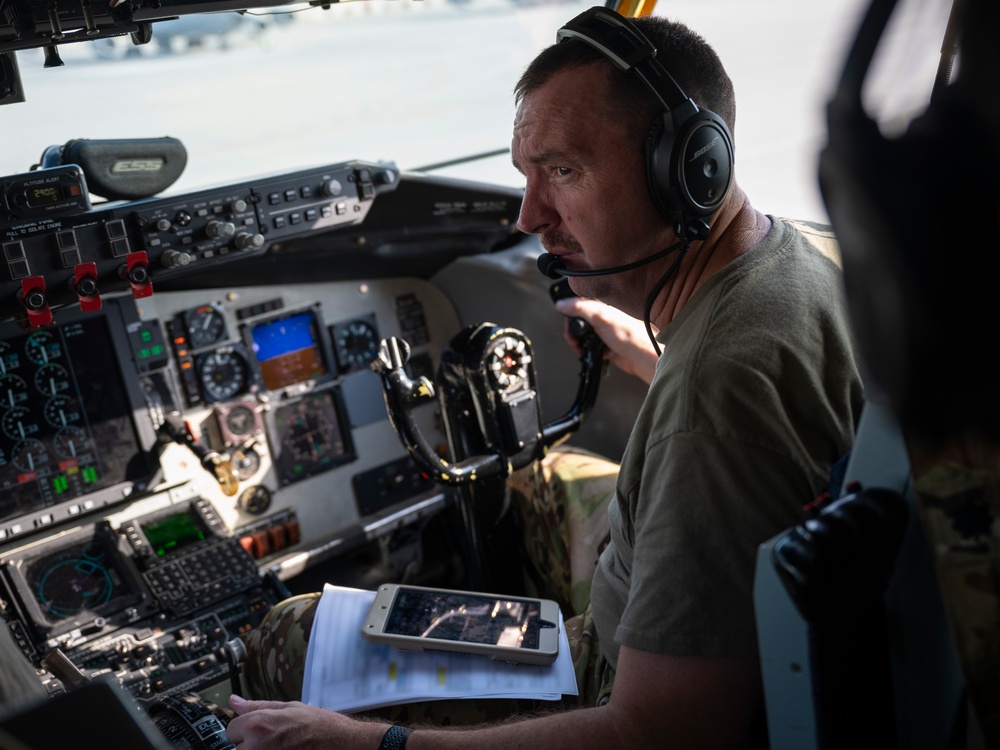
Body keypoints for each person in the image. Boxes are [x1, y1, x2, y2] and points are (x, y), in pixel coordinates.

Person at [225, 8, 863, 748]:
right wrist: (650, 357)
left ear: (687, 169)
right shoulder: (807, 256)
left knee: (292, 633)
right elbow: (773, 405)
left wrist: (370, 743)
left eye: (562, 171)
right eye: (525, 175)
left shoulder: (715, 394)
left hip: (624, 682)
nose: (530, 216)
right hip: (756, 608)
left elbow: (661, 732)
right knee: (539, 472)